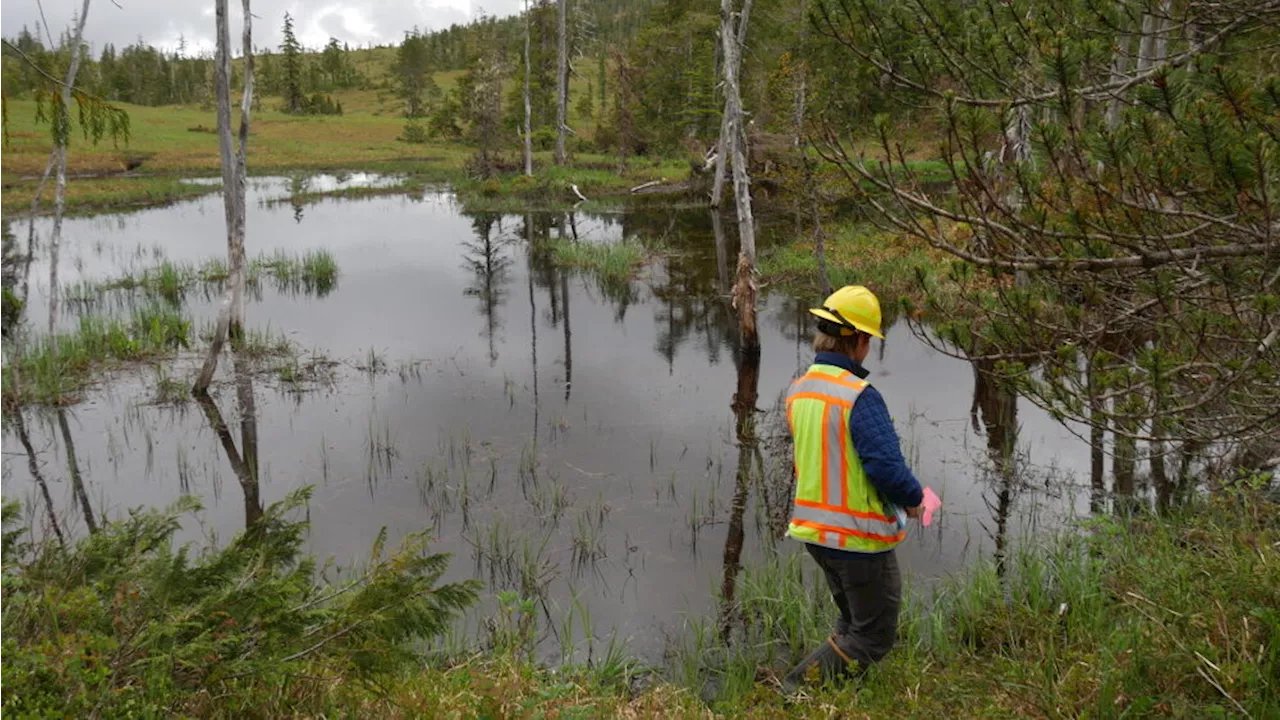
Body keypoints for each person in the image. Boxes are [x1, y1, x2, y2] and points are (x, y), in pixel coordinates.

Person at [781, 285, 924, 691]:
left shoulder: (799, 389)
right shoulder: (859, 395)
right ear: (860, 341)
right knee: (872, 636)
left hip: (817, 533)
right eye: (869, 341)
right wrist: (914, 499)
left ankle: (835, 694)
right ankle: (794, 691)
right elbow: (886, 469)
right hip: (856, 539)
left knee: (851, 623)